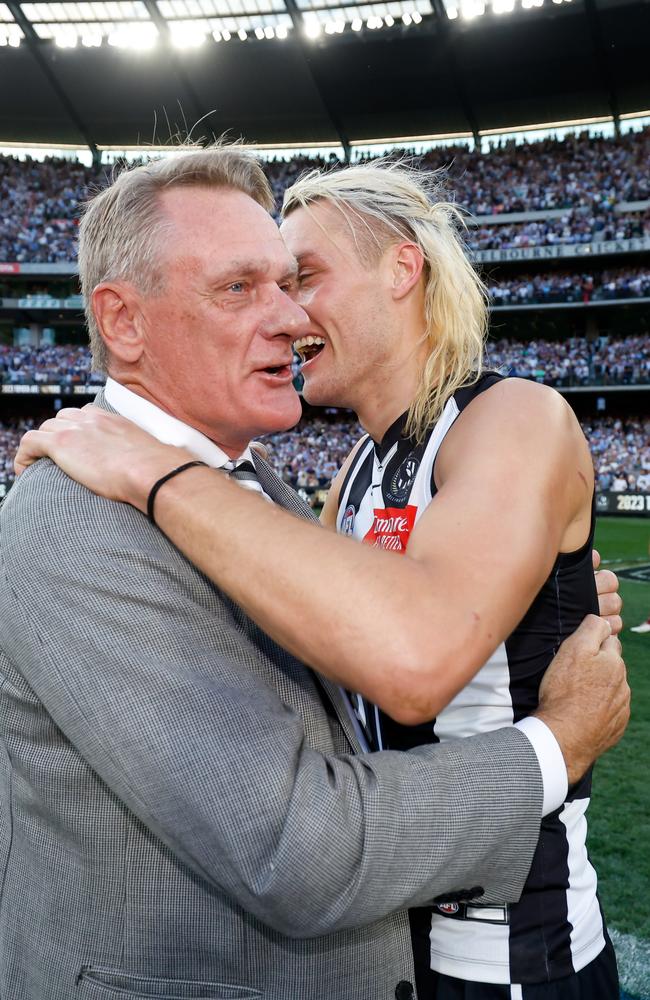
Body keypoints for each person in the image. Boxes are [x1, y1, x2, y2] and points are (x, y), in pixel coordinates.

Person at [7, 149, 628, 1000]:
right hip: (395, 928)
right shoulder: (100, 513)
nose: (291, 316)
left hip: (514, 950)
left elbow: (398, 637)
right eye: (243, 287)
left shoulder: (482, 422)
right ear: (123, 321)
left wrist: (534, 601)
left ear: (403, 269)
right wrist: (558, 735)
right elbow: (309, 807)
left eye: (299, 277)